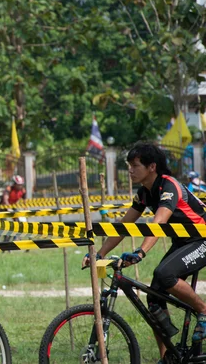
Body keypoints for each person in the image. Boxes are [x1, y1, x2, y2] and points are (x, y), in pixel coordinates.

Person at [81, 142, 206, 362]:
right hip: (184, 242)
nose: (130, 170)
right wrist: (98, 254)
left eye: (135, 165)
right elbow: (123, 227)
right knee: (154, 298)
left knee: (164, 274)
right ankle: (168, 357)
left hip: (202, 239)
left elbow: (158, 223)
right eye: (129, 165)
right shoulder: (144, 193)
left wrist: (141, 252)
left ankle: (203, 310)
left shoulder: (169, 186)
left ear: (151, 167)